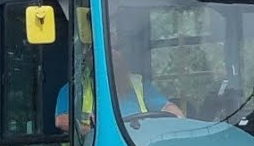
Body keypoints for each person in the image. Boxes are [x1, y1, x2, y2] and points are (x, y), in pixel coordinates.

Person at [53, 46, 183, 133]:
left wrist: (181, 122)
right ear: (90, 58)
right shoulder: (75, 88)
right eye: (106, 50)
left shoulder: (140, 84)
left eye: (116, 49)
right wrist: (90, 132)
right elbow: (61, 120)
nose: (112, 54)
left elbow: (167, 107)